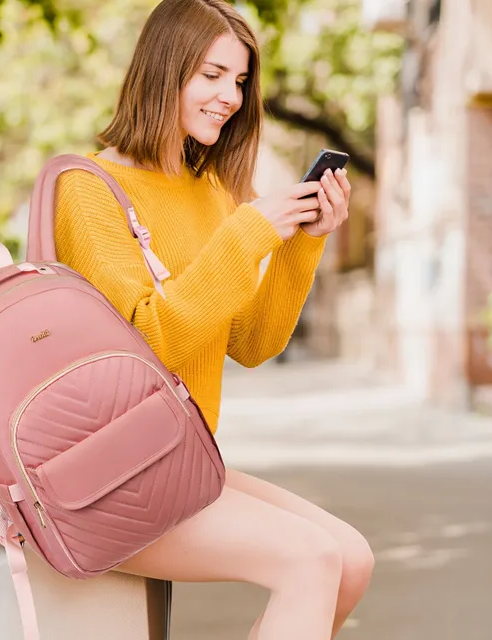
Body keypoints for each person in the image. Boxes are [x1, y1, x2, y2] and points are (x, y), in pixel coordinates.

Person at [54, 1, 374, 638]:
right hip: (111, 480)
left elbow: (253, 343)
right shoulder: (86, 189)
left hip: (182, 463)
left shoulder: (211, 192)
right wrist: (249, 232)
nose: (229, 96)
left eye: (240, 81)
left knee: (352, 561)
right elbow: (148, 341)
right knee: (310, 560)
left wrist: (302, 241)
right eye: (211, 75)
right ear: (163, 72)